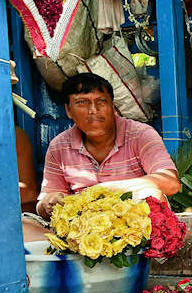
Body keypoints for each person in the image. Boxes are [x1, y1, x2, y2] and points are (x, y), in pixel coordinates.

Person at [36, 73, 180, 219]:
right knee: (26, 225)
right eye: (82, 102)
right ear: (68, 110)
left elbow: (170, 182)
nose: (93, 110)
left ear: (112, 106)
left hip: (136, 226)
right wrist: (47, 203)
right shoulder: (59, 146)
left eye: (101, 101)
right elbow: (45, 205)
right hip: (83, 230)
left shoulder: (140, 134)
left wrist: (103, 190)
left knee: (150, 194)